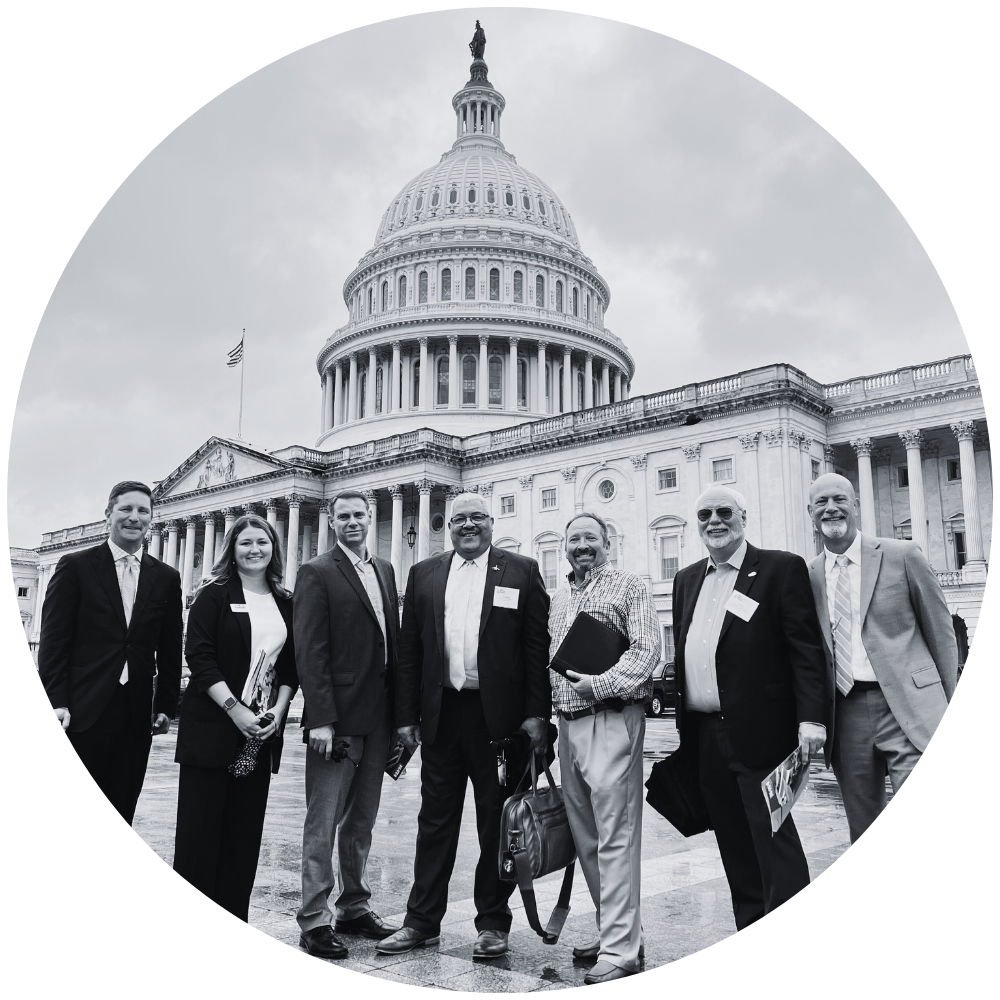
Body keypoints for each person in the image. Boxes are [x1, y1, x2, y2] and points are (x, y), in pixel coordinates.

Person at [378, 492, 550, 959]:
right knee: (434, 822)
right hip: (441, 714)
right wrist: (405, 719)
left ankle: (493, 922)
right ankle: (421, 920)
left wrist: (538, 714)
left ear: (492, 522)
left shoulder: (522, 570)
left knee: (498, 823)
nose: (468, 525)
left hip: (500, 721)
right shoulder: (425, 573)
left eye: (477, 517)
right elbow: (410, 652)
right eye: (459, 519)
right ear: (448, 526)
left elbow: (537, 647)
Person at [672, 486, 827, 933]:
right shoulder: (686, 579)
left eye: (724, 512)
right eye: (705, 514)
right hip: (703, 732)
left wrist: (811, 717)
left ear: (744, 516)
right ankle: (753, 924)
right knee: (731, 833)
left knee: (772, 831)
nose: (714, 521)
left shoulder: (779, 568)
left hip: (762, 726)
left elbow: (806, 650)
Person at [38, 480, 182, 916]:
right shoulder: (76, 565)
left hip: (135, 709)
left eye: (143, 511)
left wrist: (165, 706)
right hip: (82, 707)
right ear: (109, 514)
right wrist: (57, 700)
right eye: (126, 509)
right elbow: (54, 639)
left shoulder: (165, 576)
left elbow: (169, 646)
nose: (135, 518)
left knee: (121, 803)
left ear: (152, 518)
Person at [807, 473, 957, 855]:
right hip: (847, 712)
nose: (831, 508)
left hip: (909, 706)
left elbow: (940, 632)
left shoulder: (902, 554)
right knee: (866, 830)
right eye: (821, 502)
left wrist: (948, 707)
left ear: (855, 505)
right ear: (811, 513)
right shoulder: (808, 575)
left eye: (839, 499)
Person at [549, 512, 661, 985]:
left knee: (616, 835)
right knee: (587, 837)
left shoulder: (630, 586)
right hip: (567, 724)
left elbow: (648, 651)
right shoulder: (559, 596)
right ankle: (614, 929)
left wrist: (600, 684)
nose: (581, 546)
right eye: (573, 539)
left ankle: (620, 949)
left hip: (612, 716)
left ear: (607, 543)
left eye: (590, 538)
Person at [173, 513, 298, 923]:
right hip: (213, 727)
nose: (254, 550)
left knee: (243, 837)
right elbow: (200, 658)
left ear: (273, 549)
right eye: (245, 543)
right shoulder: (214, 594)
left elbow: (292, 667)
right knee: (199, 836)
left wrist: (279, 712)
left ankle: (231, 926)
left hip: (259, 733)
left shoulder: (285, 601)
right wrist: (234, 709)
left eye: (262, 542)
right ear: (233, 549)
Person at [293, 491, 401, 960]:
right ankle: (314, 919)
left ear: (370, 517)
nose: (352, 522)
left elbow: (392, 649)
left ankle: (354, 906)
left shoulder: (384, 570)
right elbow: (309, 650)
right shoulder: (317, 571)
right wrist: (319, 718)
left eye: (359, 514)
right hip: (335, 721)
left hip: (378, 717)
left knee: (362, 821)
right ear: (332, 522)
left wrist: (402, 719)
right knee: (323, 821)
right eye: (344, 516)